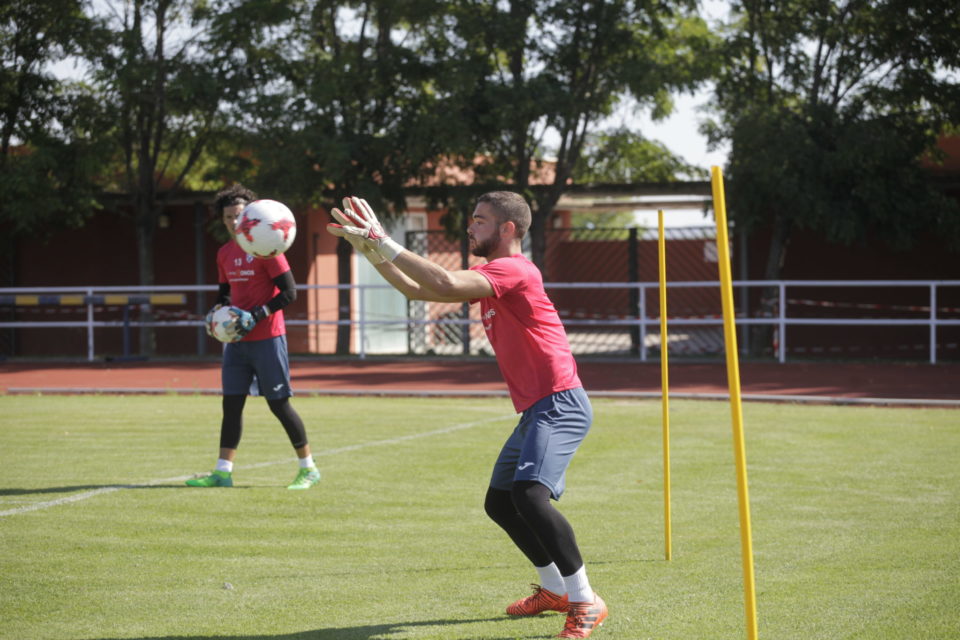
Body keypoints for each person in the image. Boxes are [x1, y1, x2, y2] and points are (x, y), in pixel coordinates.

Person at [328, 192, 607, 639]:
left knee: (531, 497)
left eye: (479, 221)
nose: (470, 228)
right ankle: (554, 591)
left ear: (508, 229)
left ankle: (585, 600)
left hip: (559, 402)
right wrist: (371, 250)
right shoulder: (492, 273)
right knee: (500, 503)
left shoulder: (515, 268)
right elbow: (422, 289)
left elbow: (445, 282)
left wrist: (384, 239)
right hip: (537, 408)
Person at [186, 184, 320, 490]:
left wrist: (256, 316)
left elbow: (290, 292)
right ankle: (222, 472)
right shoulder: (224, 253)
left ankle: (308, 468)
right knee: (231, 405)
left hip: (268, 338)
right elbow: (224, 294)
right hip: (236, 343)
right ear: (223, 221)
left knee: (279, 404)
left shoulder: (266, 245)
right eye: (228, 217)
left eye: (239, 215)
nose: (235, 222)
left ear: (250, 215)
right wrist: (216, 314)